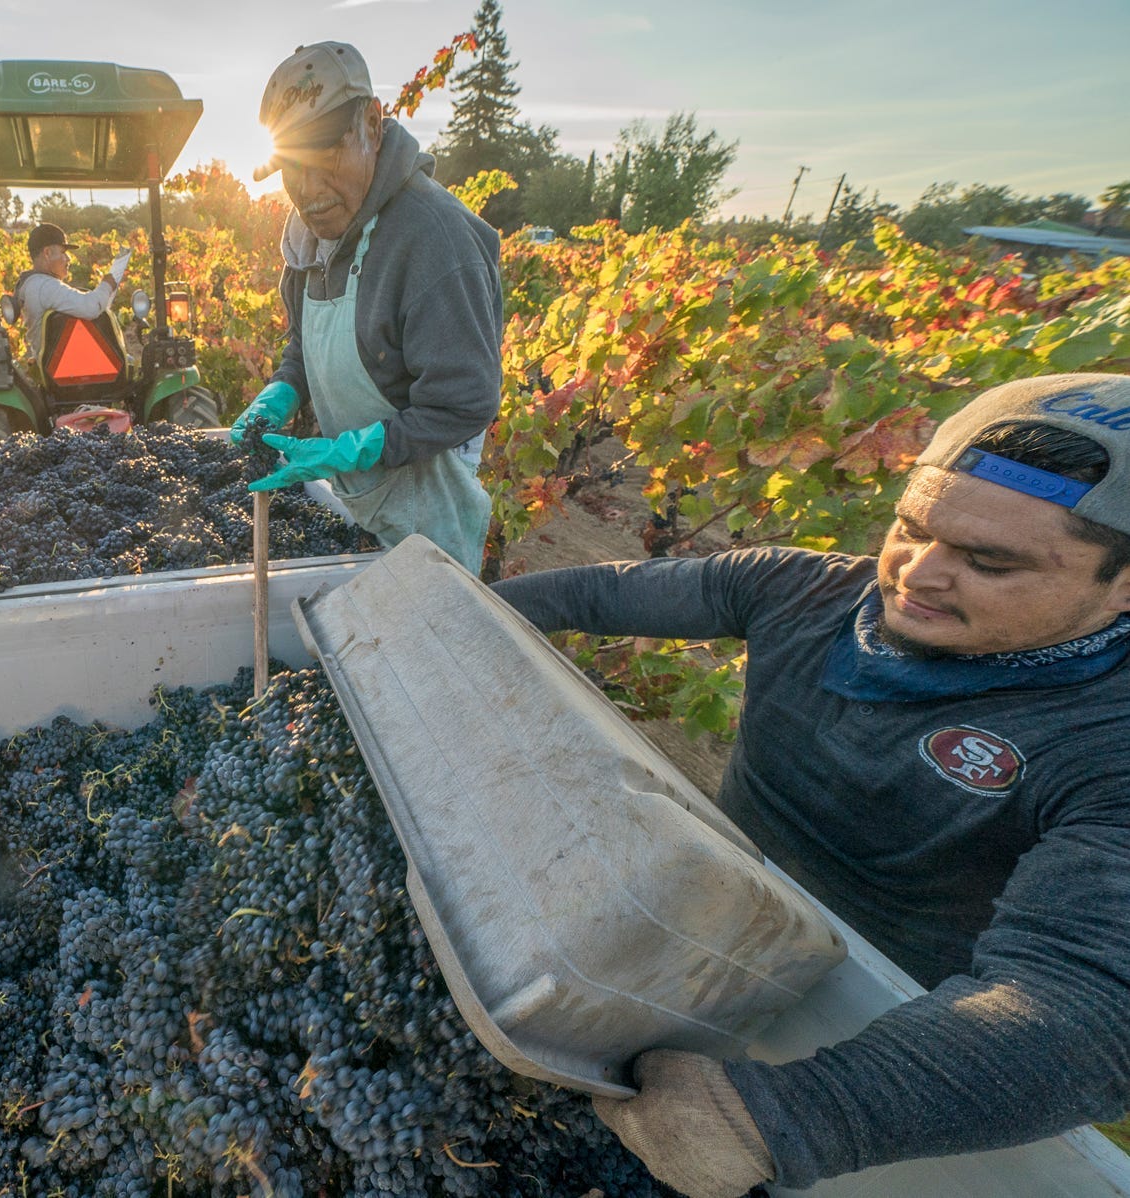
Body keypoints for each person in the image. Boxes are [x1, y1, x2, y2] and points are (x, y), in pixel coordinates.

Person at [490, 373, 1130, 1197]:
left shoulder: (1109, 743)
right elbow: (597, 589)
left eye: (990, 562)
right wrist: (437, 605)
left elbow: (1089, 1008)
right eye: (911, 526)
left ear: (1122, 585)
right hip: (692, 946)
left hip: (892, 1052)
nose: (918, 574)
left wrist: (800, 1117)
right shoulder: (803, 590)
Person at [232, 41, 501, 571]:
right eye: (291, 169)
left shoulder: (433, 242)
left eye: (325, 156)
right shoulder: (309, 234)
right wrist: (281, 392)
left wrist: (353, 450)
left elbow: (465, 403)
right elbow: (306, 342)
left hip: (427, 523)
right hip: (355, 508)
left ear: (373, 125)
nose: (308, 191)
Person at [14, 223, 130, 368]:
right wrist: (107, 285)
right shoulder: (45, 286)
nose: (68, 259)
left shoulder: (32, 284)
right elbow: (90, 307)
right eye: (63, 252)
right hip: (67, 368)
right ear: (47, 253)